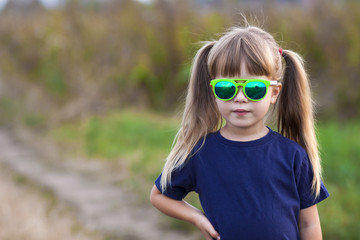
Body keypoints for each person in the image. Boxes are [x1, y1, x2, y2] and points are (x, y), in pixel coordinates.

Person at [150, 24, 329, 240]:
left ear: (274, 93)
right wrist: (198, 218)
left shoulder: (293, 155)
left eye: (254, 88)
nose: (240, 98)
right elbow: (159, 196)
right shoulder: (201, 152)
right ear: (213, 91)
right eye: (226, 88)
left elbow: (309, 223)